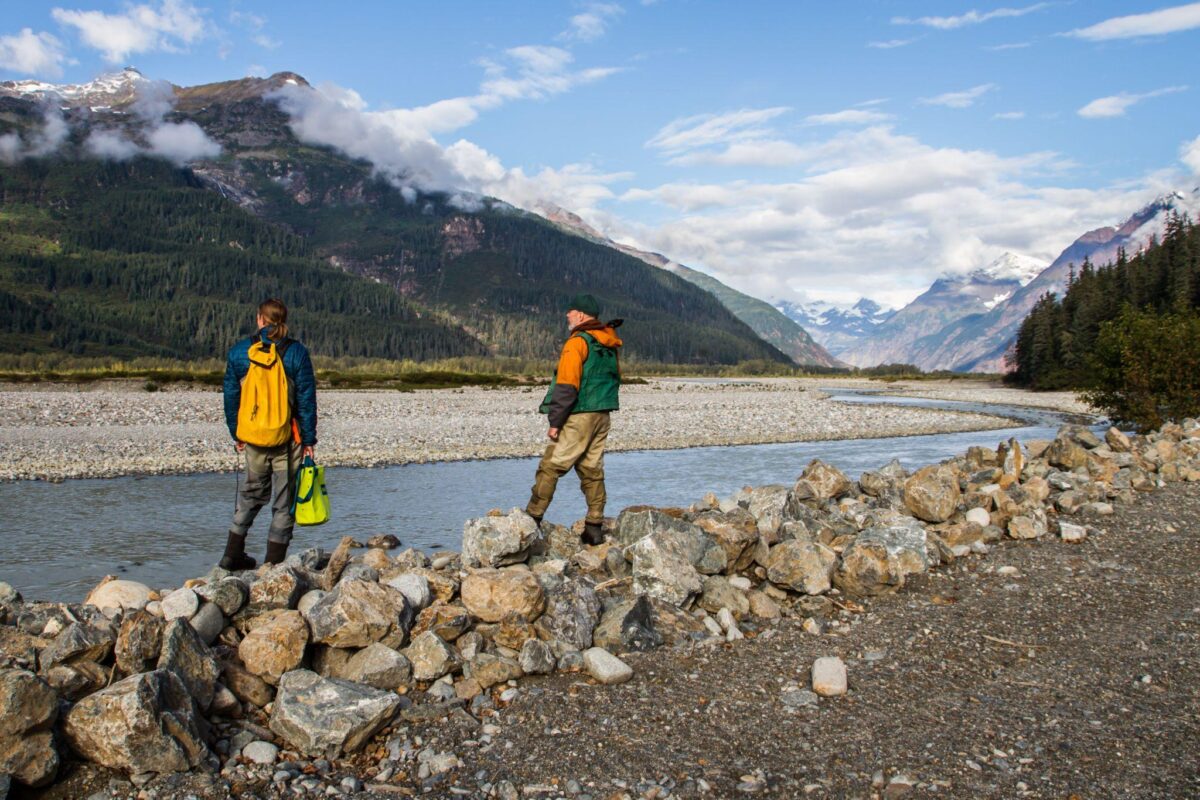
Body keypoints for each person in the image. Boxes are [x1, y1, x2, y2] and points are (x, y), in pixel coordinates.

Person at [219, 298, 317, 569]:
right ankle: (272, 566)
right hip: (288, 439)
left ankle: (231, 555)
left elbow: (231, 396)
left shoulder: (240, 352)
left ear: (260, 319)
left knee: (251, 494)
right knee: (284, 503)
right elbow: (307, 400)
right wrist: (309, 439)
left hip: (253, 438)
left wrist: (236, 433)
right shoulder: (296, 352)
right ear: (283, 320)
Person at [526, 294, 623, 545]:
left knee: (551, 466)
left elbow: (567, 384)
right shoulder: (608, 342)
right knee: (592, 469)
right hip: (603, 414)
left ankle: (531, 520)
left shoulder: (578, 341)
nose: (567, 315)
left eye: (570, 312)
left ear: (580, 315)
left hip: (580, 414)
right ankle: (594, 527)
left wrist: (555, 422)